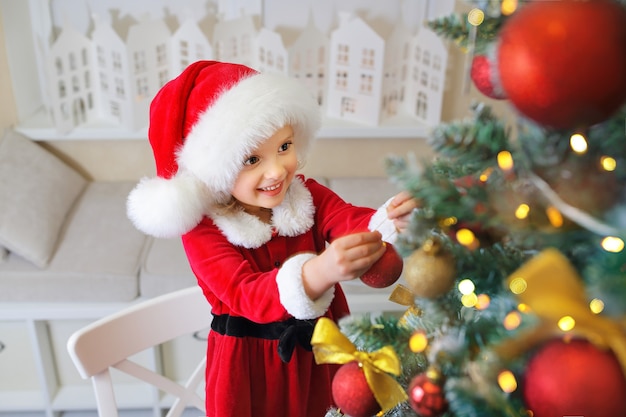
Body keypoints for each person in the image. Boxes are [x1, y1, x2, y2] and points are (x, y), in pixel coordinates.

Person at [127, 61, 418, 417]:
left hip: (321, 352)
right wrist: (316, 273)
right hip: (250, 370)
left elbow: (346, 219)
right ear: (214, 172)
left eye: (285, 146)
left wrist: (387, 218)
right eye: (252, 159)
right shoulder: (204, 230)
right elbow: (243, 292)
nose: (277, 170)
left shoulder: (306, 194)